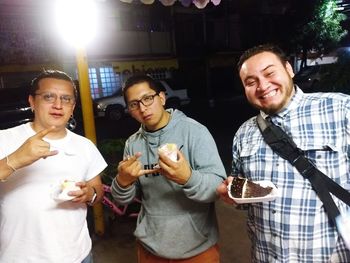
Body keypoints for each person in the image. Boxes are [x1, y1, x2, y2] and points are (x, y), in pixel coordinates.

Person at [216, 43, 350, 262]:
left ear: (289, 69)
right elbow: (244, 194)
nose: (262, 85)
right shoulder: (243, 134)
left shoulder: (340, 109)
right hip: (266, 256)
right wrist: (232, 195)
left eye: (269, 73)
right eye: (250, 82)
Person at [111, 74, 227, 262]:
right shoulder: (133, 144)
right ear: (130, 110)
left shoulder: (195, 132)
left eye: (148, 98)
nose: (143, 108)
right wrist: (122, 182)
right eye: (134, 104)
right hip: (150, 247)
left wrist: (188, 177)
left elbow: (218, 187)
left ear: (162, 98)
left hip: (197, 248)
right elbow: (123, 198)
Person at [0, 69, 107, 263]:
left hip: (77, 256)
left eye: (66, 99)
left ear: (73, 106)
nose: (58, 105)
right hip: (19, 257)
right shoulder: (5, 139)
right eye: (49, 97)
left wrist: (88, 194)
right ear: (32, 101)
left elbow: (97, 192)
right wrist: (15, 159)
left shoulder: (85, 146)